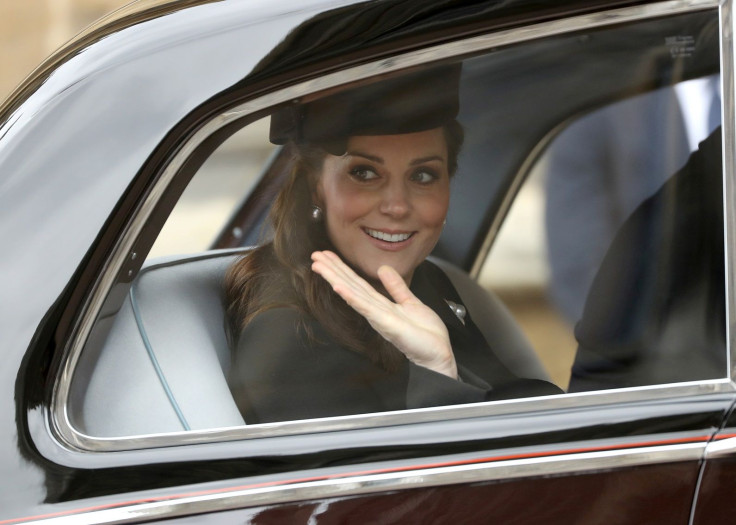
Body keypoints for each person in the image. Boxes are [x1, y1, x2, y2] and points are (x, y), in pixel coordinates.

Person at [224, 65, 562, 424]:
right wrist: (436, 368)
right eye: (365, 173)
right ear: (317, 186)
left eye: (423, 175)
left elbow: (518, 412)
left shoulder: (426, 282)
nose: (397, 206)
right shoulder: (290, 337)